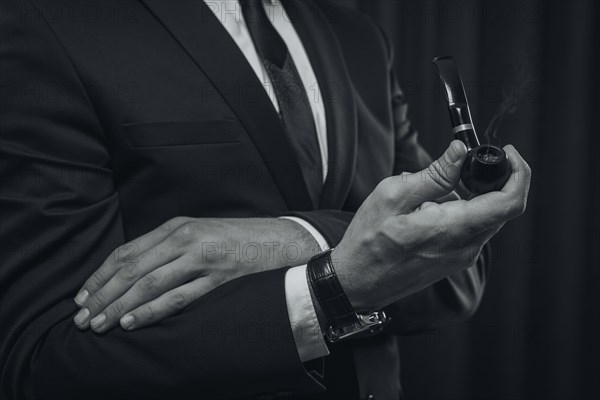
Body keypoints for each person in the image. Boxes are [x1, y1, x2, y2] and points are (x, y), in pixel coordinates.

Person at [0, 0, 531, 398]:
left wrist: (297, 240)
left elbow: (459, 274)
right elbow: (43, 362)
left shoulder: (357, 36)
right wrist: (327, 285)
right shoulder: (53, 24)